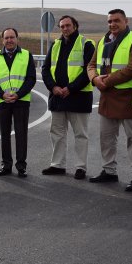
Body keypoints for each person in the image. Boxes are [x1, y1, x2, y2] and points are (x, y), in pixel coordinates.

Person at [87, 9, 132, 191]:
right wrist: (94, 79)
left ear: (126, 21)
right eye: (109, 21)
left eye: (116, 21)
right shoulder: (103, 41)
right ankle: (109, 171)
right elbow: (91, 65)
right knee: (106, 138)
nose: (112, 24)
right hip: (107, 97)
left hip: (128, 97)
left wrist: (105, 81)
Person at [41, 16, 95, 180]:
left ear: (75, 25)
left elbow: (89, 70)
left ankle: (80, 167)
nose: (65, 28)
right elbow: (45, 69)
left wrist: (70, 89)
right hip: (58, 97)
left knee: (80, 135)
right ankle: (57, 165)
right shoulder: (55, 45)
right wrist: (53, 87)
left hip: (78, 97)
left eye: (68, 25)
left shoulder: (86, 44)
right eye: (62, 26)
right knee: (57, 133)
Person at [0, 28, 36, 178]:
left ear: (17, 39)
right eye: (6, 38)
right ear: (2, 40)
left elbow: (31, 79)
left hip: (21, 101)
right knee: (4, 134)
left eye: (12, 37)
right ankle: (6, 165)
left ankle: (21, 166)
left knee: (21, 134)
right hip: (2, 102)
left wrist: (18, 94)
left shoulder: (27, 55)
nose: (9, 40)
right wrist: (2, 95)